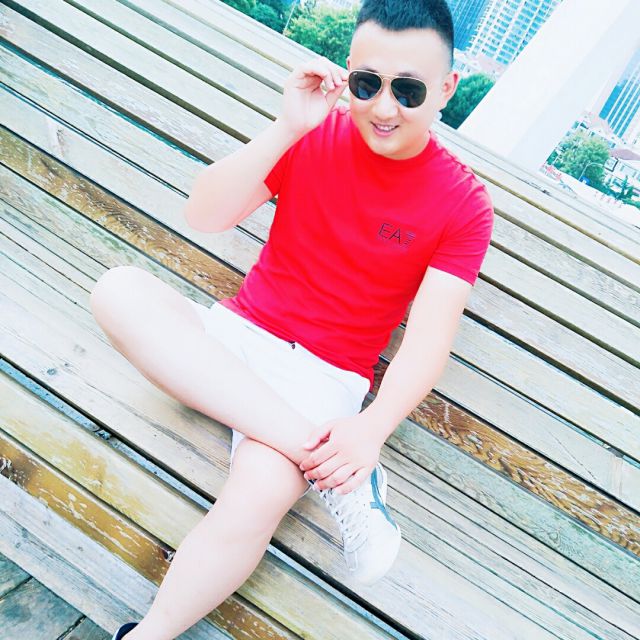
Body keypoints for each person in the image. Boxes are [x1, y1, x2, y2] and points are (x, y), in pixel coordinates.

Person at [94, 1, 494, 639]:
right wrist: (286, 127)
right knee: (118, 290)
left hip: (323, 380)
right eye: (368, 83)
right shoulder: (312, 134)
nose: (384, 107)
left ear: (446, 89)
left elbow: (428, 340)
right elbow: (205, 215)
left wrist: (369, 431)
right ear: (349, 72)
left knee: (256, 496)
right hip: (235, 340)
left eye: (409, 90)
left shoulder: (463, 203)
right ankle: (332, 473)